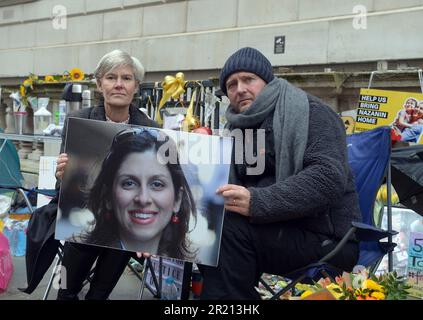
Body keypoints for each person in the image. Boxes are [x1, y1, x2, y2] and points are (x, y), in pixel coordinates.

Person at [198, 47, 362, 299]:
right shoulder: (238, 128)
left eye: (248, 79)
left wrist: (257, 201)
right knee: (204, 228)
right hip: (266, 232)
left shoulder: (313, 113)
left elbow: (327, 178)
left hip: (325, 239)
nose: (239, 88)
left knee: (225, 232)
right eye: (231, 84)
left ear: (267, 81)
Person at [55, 49, 157, 300]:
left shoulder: (152, 130)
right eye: (111, 77)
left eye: (127, 78)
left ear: (136, 86)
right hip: (81, 217)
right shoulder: (78, 122)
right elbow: (65, 185)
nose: (119, 84)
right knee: (66, 291)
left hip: (125, 224)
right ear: (100, 84)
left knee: (100, 293)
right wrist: (61, 175)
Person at [73, 127, 197, 260]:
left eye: (157, 184)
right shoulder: (81, 257)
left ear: (177, 199)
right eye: (129, 183)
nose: (143, 199)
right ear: (108, 196)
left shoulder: (188, 269)